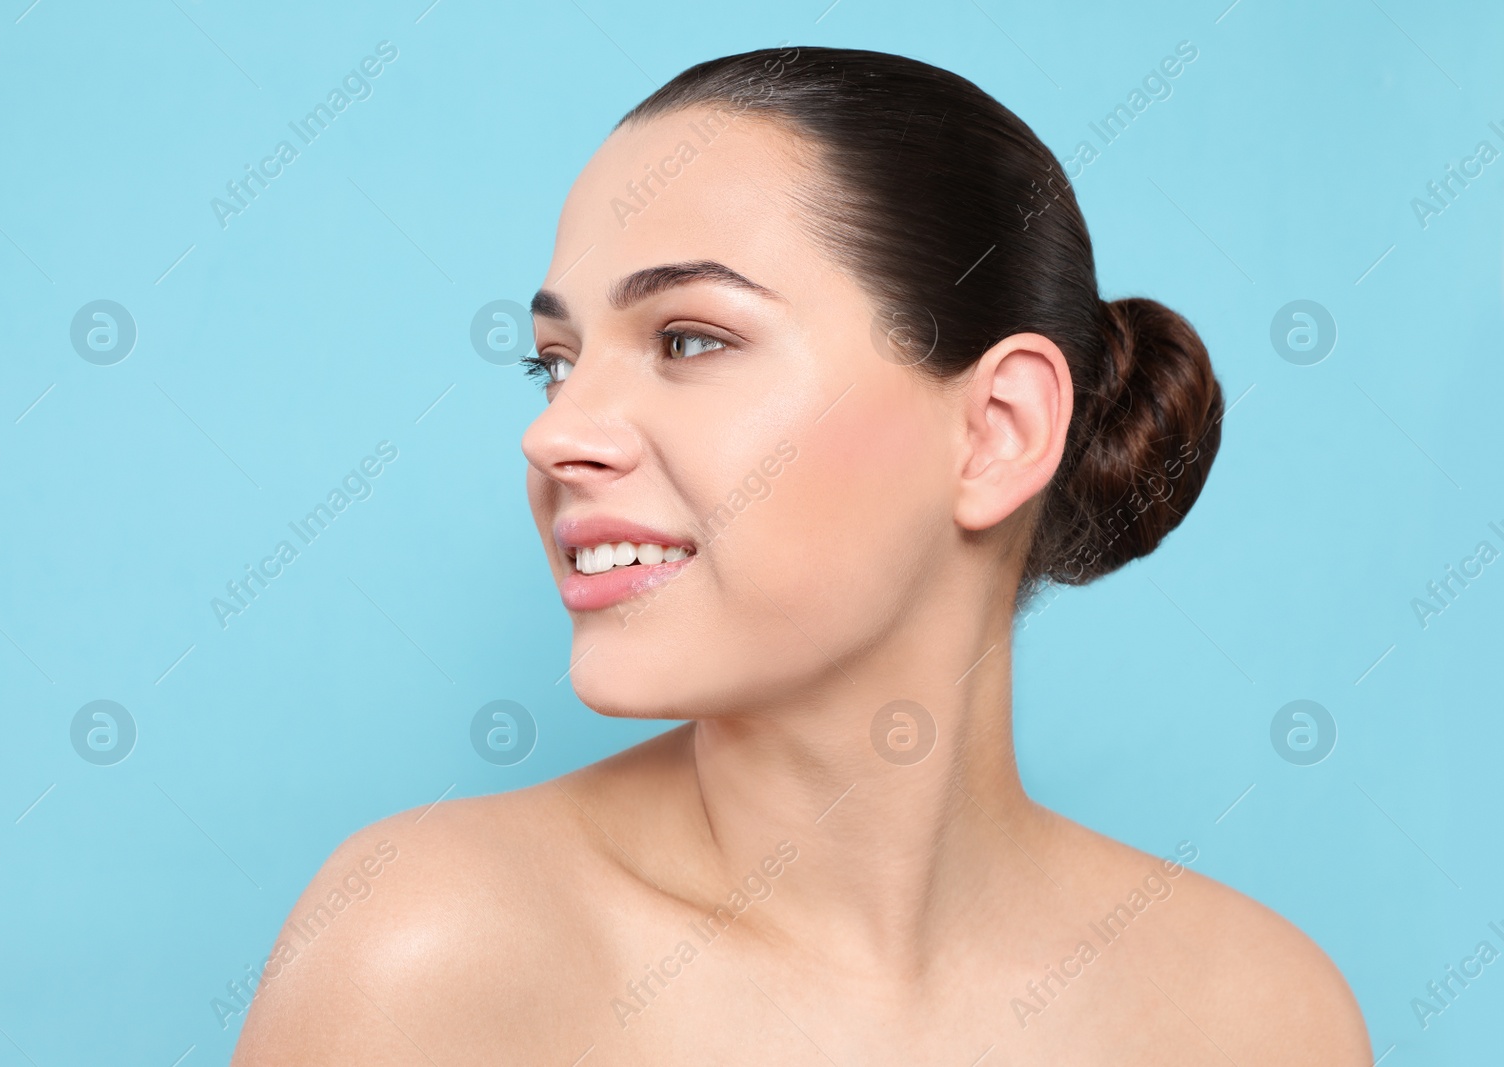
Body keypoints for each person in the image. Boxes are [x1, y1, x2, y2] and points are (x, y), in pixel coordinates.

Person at [233, 46, 1370, 1064]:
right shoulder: (429, 952)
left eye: (688, 338)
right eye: (555, 360)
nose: (555, 431)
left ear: (997, 430)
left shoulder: (1258, 1014)